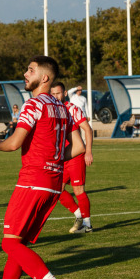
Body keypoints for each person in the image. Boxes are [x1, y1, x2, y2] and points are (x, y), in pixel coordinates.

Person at [0, 55, 85, 279]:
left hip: (32, 180)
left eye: (30, 70)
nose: (25, 74)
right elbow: (79, 147)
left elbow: (15, 143)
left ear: (45, 78)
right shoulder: (62, 108)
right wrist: (53, 161)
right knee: (18, 245)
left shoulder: (34, 104)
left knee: (8, 242)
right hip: (51, 184)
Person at [51, 82, 95, 233]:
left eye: (58, 93)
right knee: (56, 189)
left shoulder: (72, 109)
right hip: (62, 157)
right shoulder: (53, 111)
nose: (56, 97)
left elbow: (87, 129)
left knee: (78, 190)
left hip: (75, 154)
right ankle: (78, 215)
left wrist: (88, 151)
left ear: (64, 94)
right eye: (53, 94)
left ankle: (87, 226)